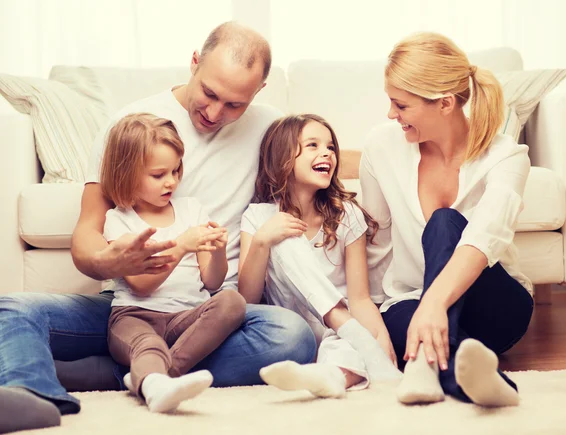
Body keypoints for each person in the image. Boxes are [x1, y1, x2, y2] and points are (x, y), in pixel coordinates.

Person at [0, 22, 316, 433]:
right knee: (13, 310)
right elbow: (88, 232)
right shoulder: (131, 125)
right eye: (209, 93)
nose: (215, 113)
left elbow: (324, 163)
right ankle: (32, 395)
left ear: (259, 92)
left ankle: (135, 375)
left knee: (292, 336)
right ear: (194, 63)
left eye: (235, 105)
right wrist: (108, 259)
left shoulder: (272, 129)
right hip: (128, 306)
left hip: (204, 315)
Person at [360, 32, 534, 407]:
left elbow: (485, 237)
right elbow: (378, 242)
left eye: (400, 105)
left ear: (445, 103)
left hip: (495, 307)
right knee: (396, 319)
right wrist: (368, 315)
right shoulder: (380, 147)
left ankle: (425, 362)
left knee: (444, 222)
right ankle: (463, 375)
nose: (392, 115)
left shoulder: (506, 156)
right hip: (411, 302)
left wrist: (434, 303)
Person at [238, 114, 401, 399]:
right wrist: (262, 241)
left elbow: (360, 297)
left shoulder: (346, 214)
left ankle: (332, 376)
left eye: (330, 147)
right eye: (312, 145)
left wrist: (379, 338)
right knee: (283, 233)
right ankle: (352, 337)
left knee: (345, 349)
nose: (326, 152)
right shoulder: (259, 217)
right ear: (282, 158)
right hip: (290, 331)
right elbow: (248, 300)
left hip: (339, 331)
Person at [101, 113, 249, 413]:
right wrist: (182, 245)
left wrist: (218, 250)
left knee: (231, 301)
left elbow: (212, 282)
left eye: (176, 170)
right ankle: (154, 381)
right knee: (149, 346)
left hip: (186, 317)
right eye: (159, 175)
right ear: (127, 174)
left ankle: (153, 379)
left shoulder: (191, 209)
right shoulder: (118, 220)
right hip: (135, 316)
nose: (171, 181)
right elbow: (141, 285)